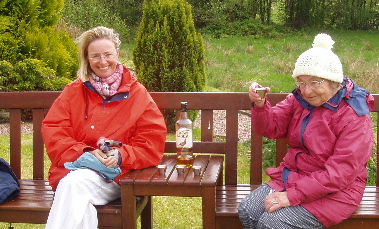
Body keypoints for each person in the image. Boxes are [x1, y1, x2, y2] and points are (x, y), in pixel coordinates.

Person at [238, 33, 374, 228]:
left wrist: (291, 196)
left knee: (272, 224)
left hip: (337, 192)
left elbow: (339, 174)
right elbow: (271, 127)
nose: (306, 91)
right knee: (248, 210)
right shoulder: (299, 100)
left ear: (334, 81)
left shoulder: (354, 116)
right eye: (301, 82)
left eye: (314, 83)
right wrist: (260, 105)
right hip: (294, 177)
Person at [42, 26, 167, 229]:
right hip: (75, 169)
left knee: (73, 186)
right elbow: (54, 130)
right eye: (95, 56)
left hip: (117, 175)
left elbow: (151, 141)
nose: (102, 61)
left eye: (108, 54)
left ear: (117, 53)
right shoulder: (73, 91)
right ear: (87, 59)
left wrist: (120, 155)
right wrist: (83, 153)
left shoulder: (137, 93)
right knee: (80, 202)